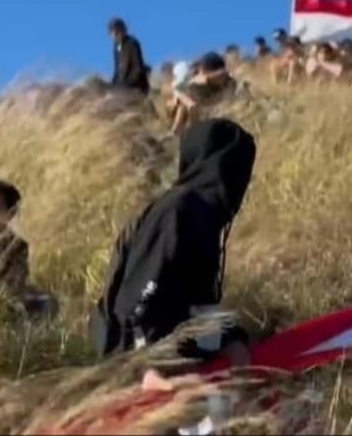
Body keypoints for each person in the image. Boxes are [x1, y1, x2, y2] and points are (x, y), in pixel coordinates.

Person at [90, 119, 256, 374]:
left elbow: (200, 304)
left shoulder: (206, 216)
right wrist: (150, 373)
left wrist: (229, 342)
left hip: (177, 354)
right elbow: (135, 305)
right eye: (237, 166)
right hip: (136, 364)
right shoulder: (177, 211)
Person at [170, 52, 239, 134]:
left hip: (209, 118)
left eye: (201, 70)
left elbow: (192, 106)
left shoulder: (210, 80)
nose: (199, 72)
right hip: (212, 112)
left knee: (182, 98)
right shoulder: (229, 80)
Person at [108, 18, 151, 96]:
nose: (115, 35)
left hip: (136, 87)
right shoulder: (116, 46)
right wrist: (112, 86)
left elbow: (138, 68)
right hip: (121, 87)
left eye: (117, 32)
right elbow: (117, 70)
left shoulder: (132, 43)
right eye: (112, 33)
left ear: (124, 30)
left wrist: (126, 84)